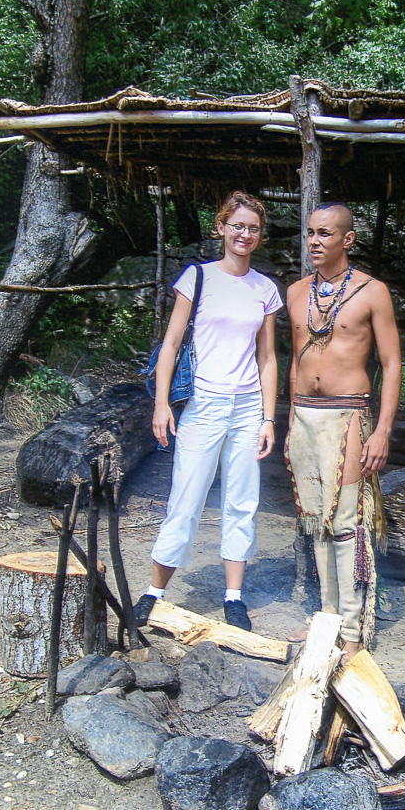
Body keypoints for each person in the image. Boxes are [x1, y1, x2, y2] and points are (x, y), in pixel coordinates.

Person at [133, 191, 283, 632]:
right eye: (237, 225)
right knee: (187, 498)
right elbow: (172, 344)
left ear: (260, 235)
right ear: (220, 227)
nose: (245, 234)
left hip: (247, 406)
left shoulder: (265, 289)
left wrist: (269, 417)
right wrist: (161, 404)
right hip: (203, 403)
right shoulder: (197, 278)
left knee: (241, 501)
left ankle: (233, 596)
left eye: (253, 228)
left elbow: (268, 358)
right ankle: (154, 591)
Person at [285, 202, 401, 659]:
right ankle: (327, 620)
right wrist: (289, 418)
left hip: (348, 414)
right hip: (304, 417)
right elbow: (294, 358)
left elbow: (392, 365)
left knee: (347, 521)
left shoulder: (373, 292)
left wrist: (383, 431)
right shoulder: (296, 292)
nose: (315, 241)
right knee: (315, 521)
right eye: (311, 233)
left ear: (347, 239)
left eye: (325, 234)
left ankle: (352, 634)